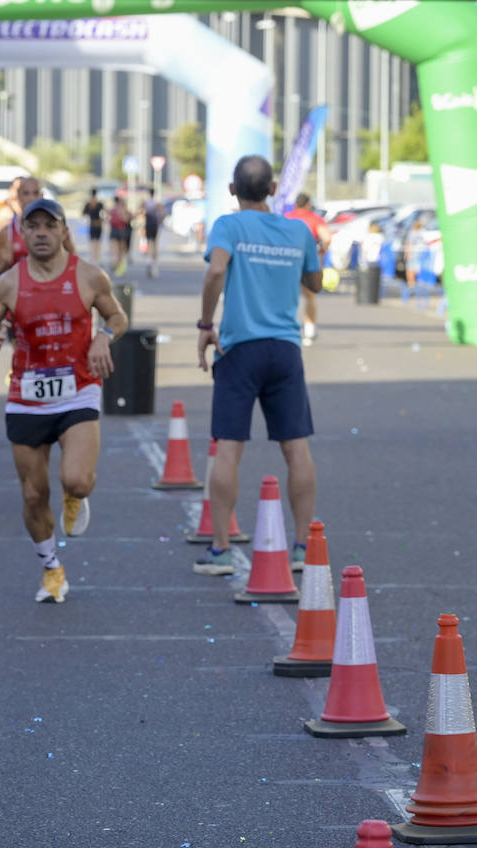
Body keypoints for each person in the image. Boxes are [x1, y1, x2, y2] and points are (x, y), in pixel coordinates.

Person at [0, 198, 127, 604]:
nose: (40, 233)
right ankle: (52, 567)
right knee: (34, 495)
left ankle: (75, 495)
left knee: (77, 479)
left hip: (78, 390)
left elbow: (118, 317)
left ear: (62, 232)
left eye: (48, 226)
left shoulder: (89, 277)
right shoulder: (8, 283)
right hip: (27, 396)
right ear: (21, 233)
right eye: (32, 226)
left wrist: (104, 337)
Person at [192, 155, 321, 580]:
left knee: (229, 447)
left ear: (232, 190)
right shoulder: (298, 230)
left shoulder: (228, 226)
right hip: (285, 348)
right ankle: (302, 547)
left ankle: (222, 550)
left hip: (239, 348)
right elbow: (315, 282)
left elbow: (215, 271)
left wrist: (206, 324)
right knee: (296, 447)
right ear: (272, 190)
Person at [285, 193, 332, 344]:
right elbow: (327, 238)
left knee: (285, 295)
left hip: (286, 260)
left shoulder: (286, 217)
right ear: (308, 205)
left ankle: (285, 327)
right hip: (307, 260)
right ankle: (309, 329)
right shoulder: (314, 218)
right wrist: (322, 251)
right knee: (310, 296)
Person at [0, 175, 43, 276]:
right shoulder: (7, 229)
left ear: (42, 195)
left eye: (35, 193)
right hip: (17, 290)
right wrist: (6, 262)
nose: (31, 198)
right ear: (18, 196)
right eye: (26, 193)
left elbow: (72, 262)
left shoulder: (55, 229)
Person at [140, 189, 165, 278]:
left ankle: (149, 260)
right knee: (155, 245)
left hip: (148, 225)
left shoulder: (145, 203)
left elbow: (142, 214)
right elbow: (163, 213)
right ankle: (154, 264)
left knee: (149, 244)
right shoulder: (156, 203)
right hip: (155, 225)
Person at [107, 196, 132, 277]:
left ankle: (115, 265)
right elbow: (126, 220)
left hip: (113, 230)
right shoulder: (123, 209)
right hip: (121, 231)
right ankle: (121, 268)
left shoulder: (111, 210)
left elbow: (108, 219)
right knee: (122, 251)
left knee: (115, 250)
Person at [82, 190, 105, 266]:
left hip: (92, 224)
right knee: (98, 242)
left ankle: (93, 258)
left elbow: (83, 213)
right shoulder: (99, 203)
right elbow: (104, 214)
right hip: (98, 224)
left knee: (92, 242)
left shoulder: (88, 204)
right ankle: (97, 258)